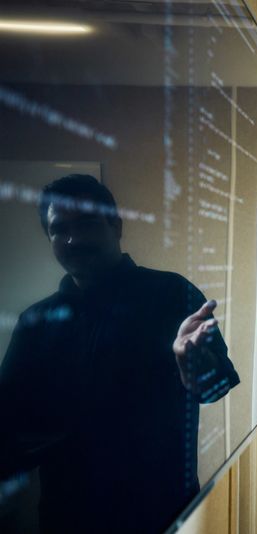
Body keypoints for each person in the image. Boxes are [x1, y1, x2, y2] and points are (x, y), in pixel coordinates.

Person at [0, 175, 240, 533]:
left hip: (160, 514)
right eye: (59, 229)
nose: (73, 239)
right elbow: (9, 419)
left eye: (87, 224)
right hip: (66, 517)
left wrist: (193, 369)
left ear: (116, 226)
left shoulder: (171, 293)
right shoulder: (35, 320)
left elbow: (216, 385)